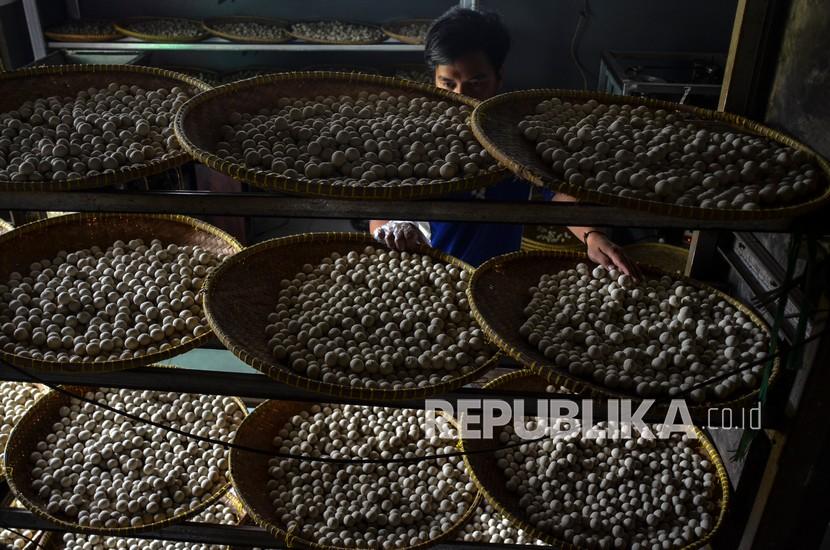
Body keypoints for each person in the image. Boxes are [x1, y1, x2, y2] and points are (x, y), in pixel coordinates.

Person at [370, 7, 640, 277]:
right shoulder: (414, 134)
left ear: (499, 77)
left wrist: (592, 236)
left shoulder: (516, 135)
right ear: (433, 80)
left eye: (477, 82)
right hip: (428, 275)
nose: (461, 95)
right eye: (448, 83)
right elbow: (379, 209)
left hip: (496, 275)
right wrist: (390, 229)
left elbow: (557, 191)